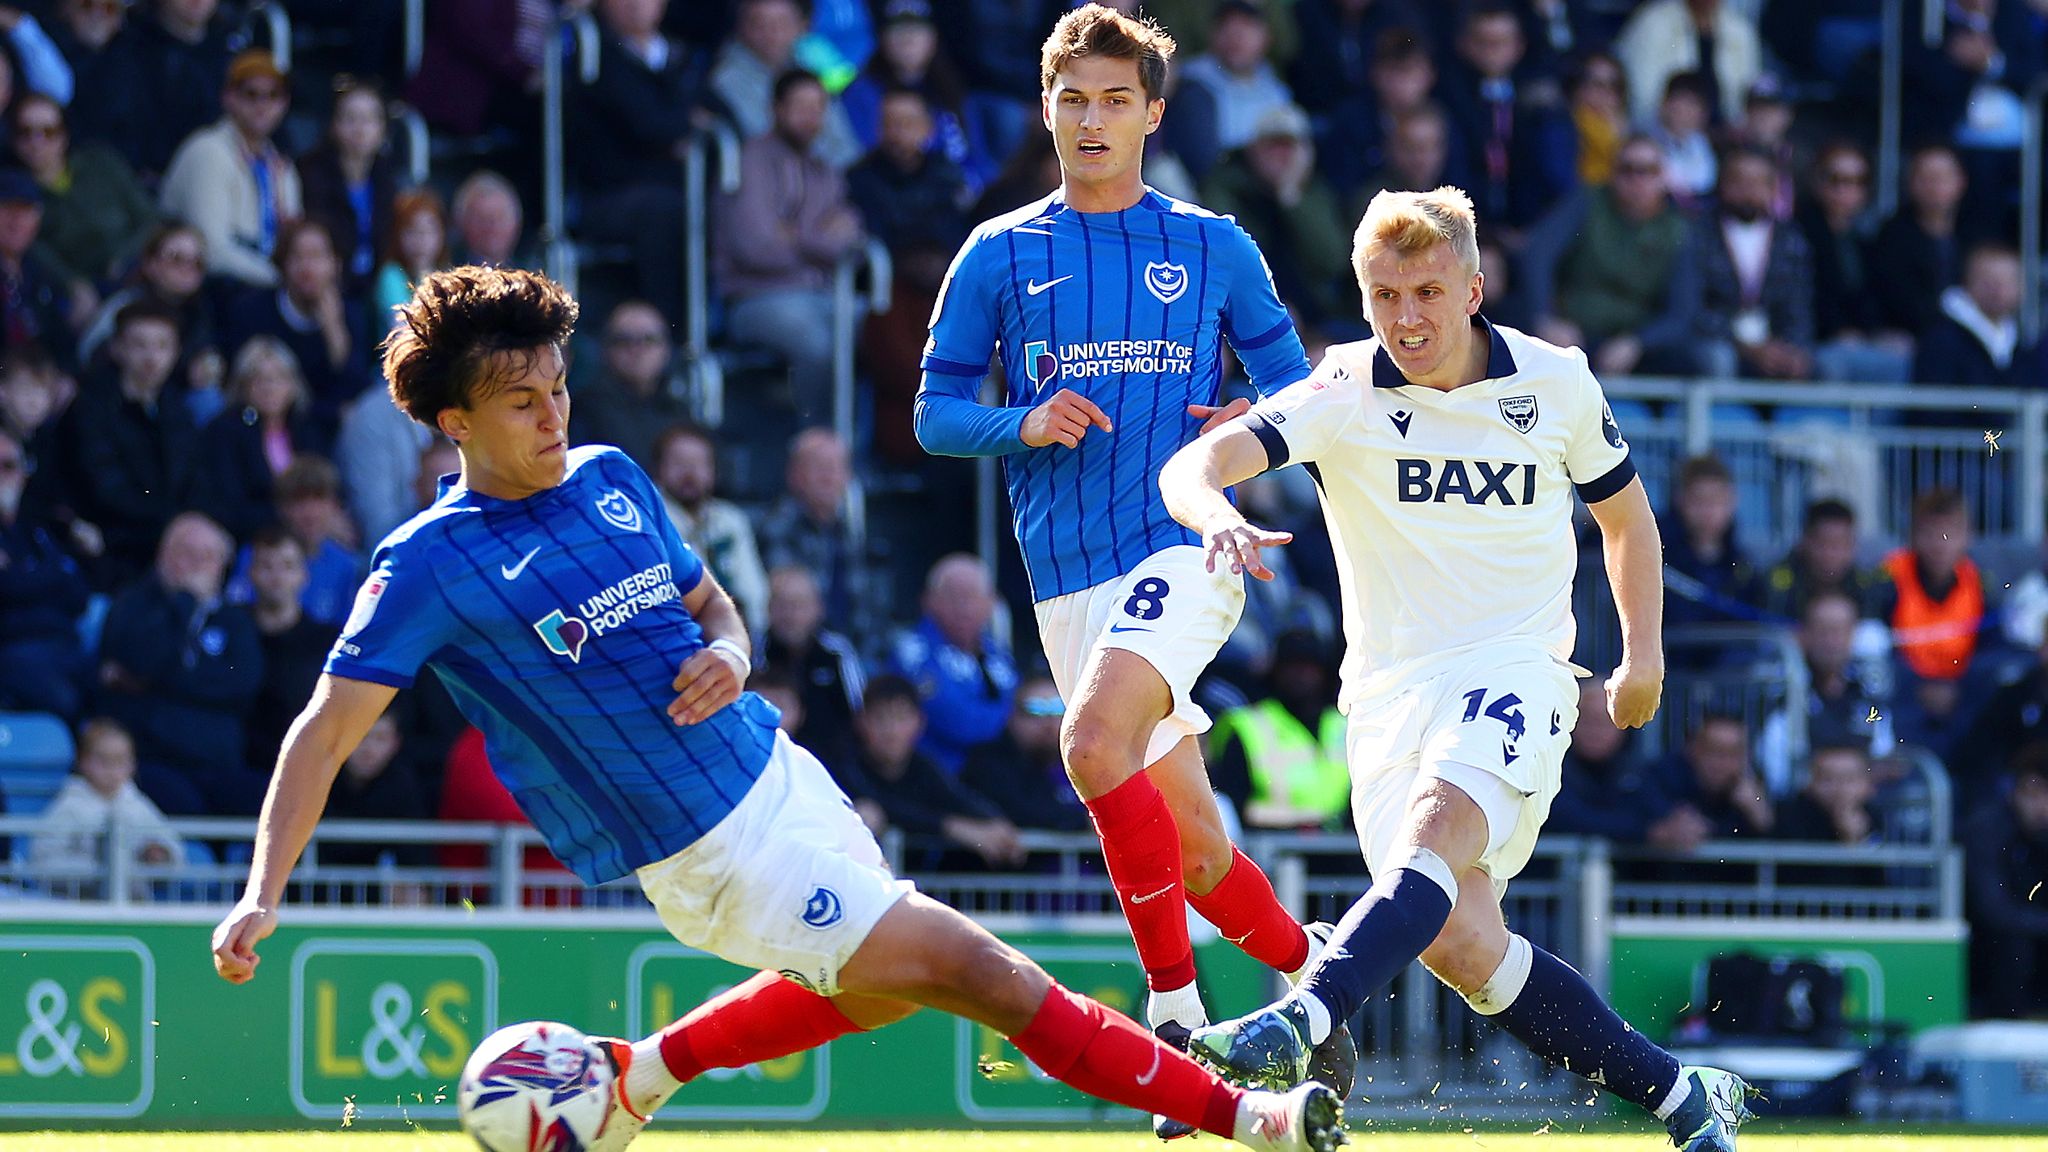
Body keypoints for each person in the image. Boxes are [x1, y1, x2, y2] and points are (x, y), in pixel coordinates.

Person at [206, 264, 1346, 1152]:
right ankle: (1249, 1118)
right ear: (454, 424)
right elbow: (324, 729)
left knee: (879, 994)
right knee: (982, 977)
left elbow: (717, 610)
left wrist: (733, 655)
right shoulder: (429, 563)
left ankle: (633, 1076)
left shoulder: (610, 476)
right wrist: (264, 891)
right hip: (706, 855)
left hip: (779, 778)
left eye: (558, 387)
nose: (552, 415)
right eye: (520, 402)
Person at [1157, 186, 1754, 1151]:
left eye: (1428, 291)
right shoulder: (1342, 390)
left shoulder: (1555, 382)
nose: (1408, 317)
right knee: (1466, 946)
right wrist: (1215, 509)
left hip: (1518, 671)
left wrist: (1641, 655)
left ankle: (1299, 1021)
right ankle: (1684, 1098)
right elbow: (1198, 462)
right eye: (1386, 295)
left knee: (1437, 829)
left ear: (1474, 289)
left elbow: (1627, 519)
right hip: (1388, 700)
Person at [914, 6, 1343, 1098]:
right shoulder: (998, 253)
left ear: (1153, 113)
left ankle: (1174, 1020)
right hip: (1066, 581)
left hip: (1187, 547)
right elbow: (932, 414)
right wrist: (1023, 420)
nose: (1091, 119)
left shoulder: (1210, 242)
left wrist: (1239, 428)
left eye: (1115, 99)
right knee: (1195, 852)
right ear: (1045, 108)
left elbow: (1291, 387)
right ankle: (1317, 981)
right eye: (1073, 98)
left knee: (1090, 747)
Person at [157, 49, 301, 291]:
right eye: (251, 94)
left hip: (261, 281)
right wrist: (281, 282)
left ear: (284, 103)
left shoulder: (281, 165)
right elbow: (211, 252)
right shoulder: (208, 150)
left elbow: (295, 241)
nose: (262, 105)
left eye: (272, 95)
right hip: (211, 287)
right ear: (228, 97)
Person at [890, 553, 1017, 775]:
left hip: (998, 772)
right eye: (952, 596)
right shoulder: (913, 654)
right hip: (940, 775)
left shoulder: (997, 654)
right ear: (928, 600)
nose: (963, 607)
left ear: (990, 603)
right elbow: (959, 722)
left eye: (972, 596)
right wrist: (1014, 719)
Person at [29, 717, 182, 898]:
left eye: (120, 760)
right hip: (79, 908)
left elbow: (172, 847)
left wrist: (161, 855)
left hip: (135, 909)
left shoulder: (138, 804)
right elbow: (43, 862)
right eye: (103, 760)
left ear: (132, 764)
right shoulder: (69, 806)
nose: (112, 770)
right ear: (83, 761)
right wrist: (98, 869)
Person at [650, 422, 769, 640]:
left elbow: (754, 593)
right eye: (679, 463)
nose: (689, 473)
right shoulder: (647, 519)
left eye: (698, 464)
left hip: (736, 638)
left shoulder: (731, 520)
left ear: (713, 470)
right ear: (659, 468)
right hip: (676, 639)